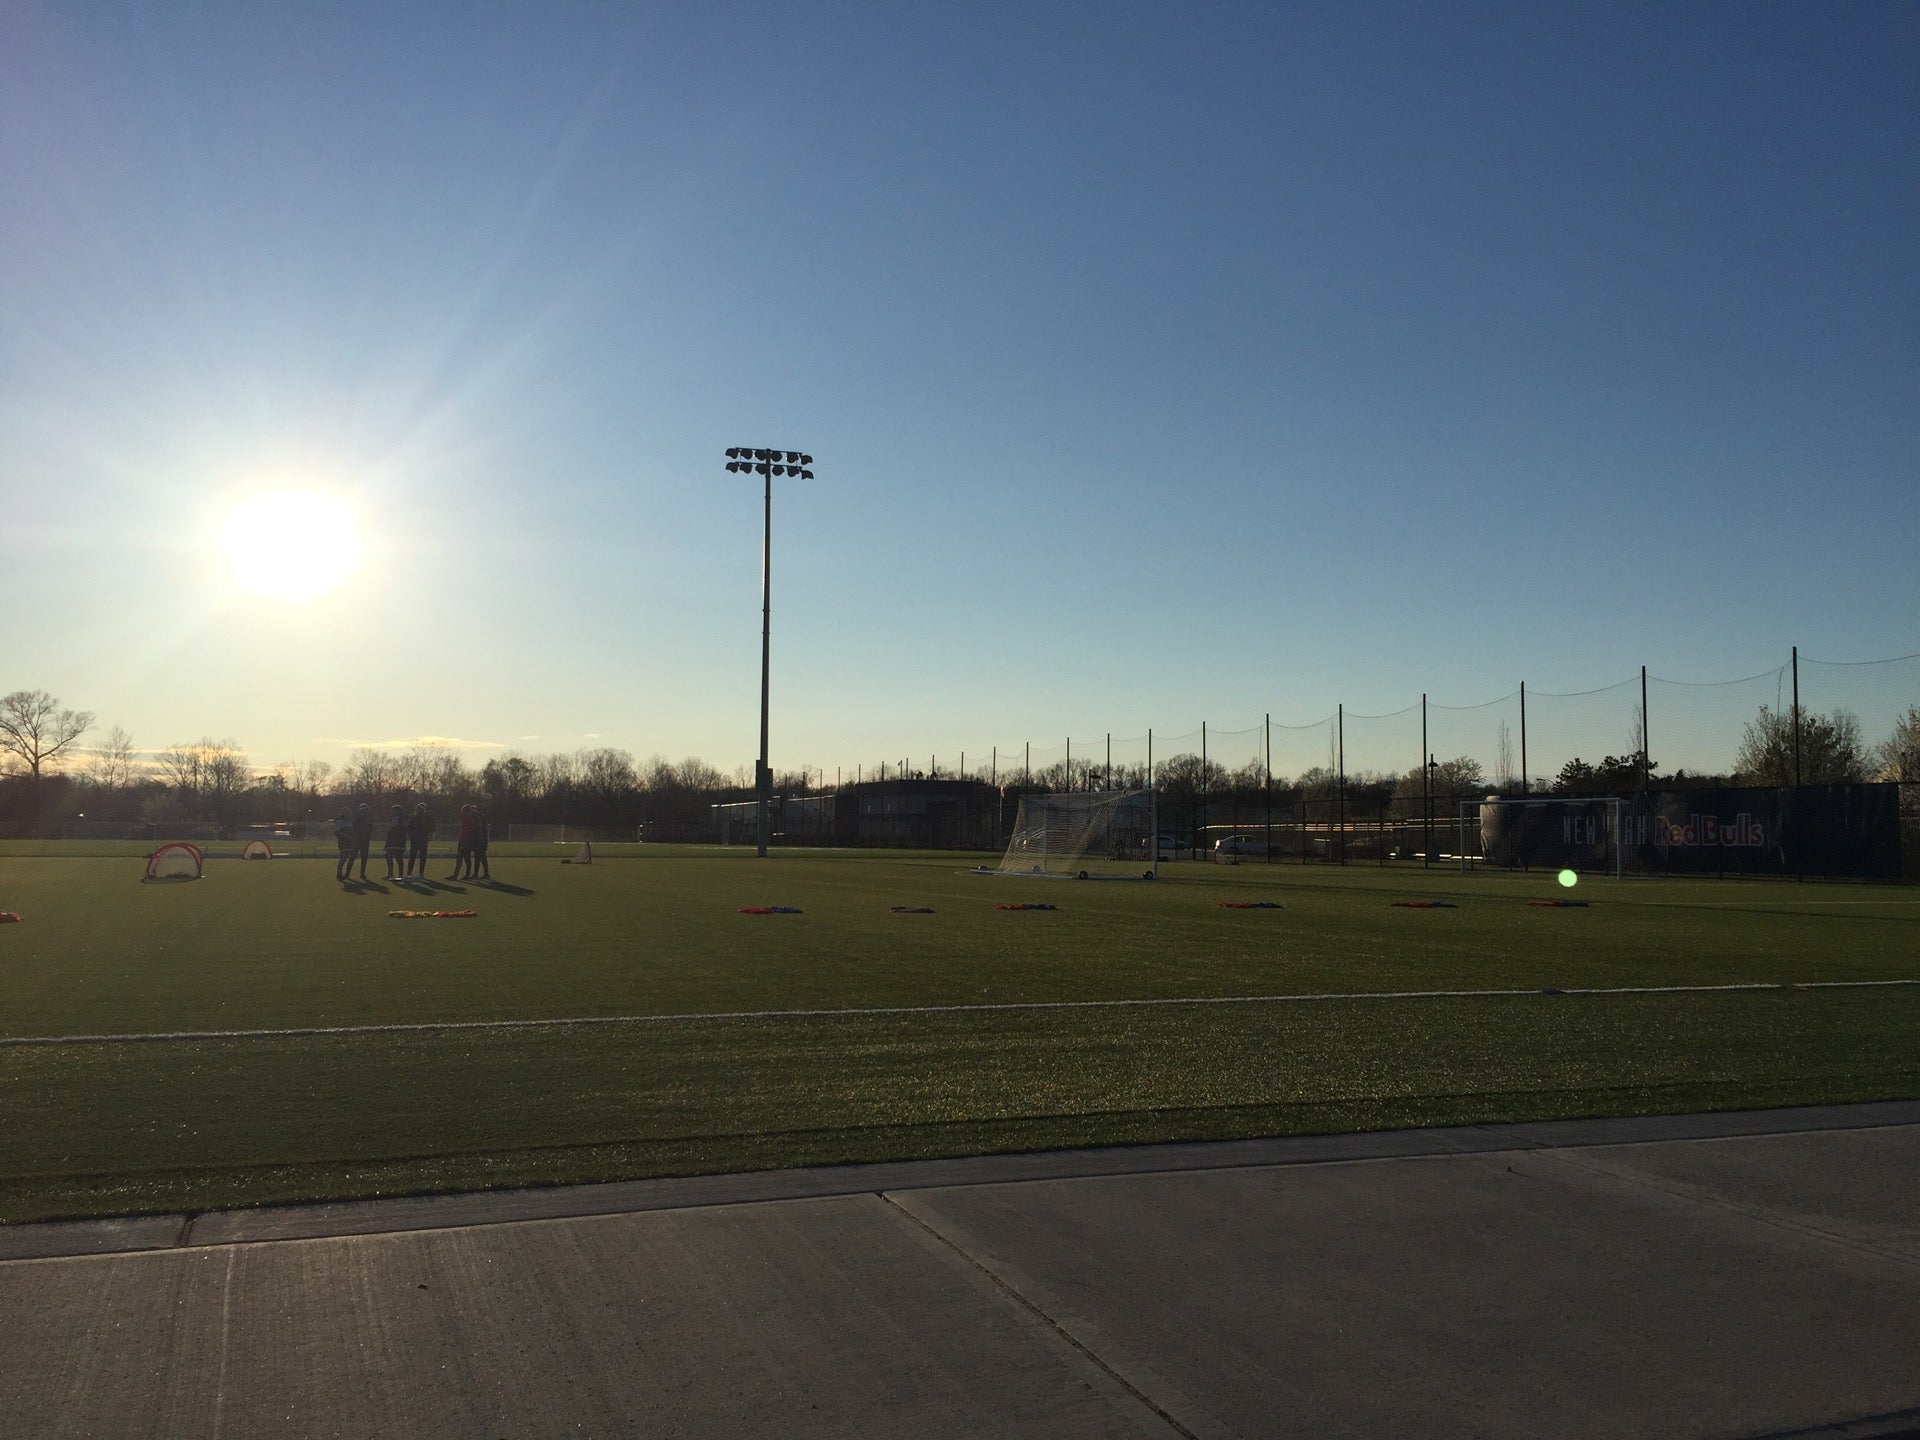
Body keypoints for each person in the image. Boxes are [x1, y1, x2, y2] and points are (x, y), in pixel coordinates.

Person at [452, 803, 481, 880]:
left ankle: (458, 875)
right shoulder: (472, 818)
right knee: (465, 858)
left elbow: (467, 830)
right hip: (467, 840)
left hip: (465, 841)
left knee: (462, 858)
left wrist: (464, 840)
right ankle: (464, 874)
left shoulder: (468, 818)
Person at [349, 802, 375, 882]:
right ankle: (347, 873)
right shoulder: (357, 818)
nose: (365, 812)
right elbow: (354, 829)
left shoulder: (369, 819)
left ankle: (362, 873)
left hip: (365, 841)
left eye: (366, 810)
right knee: (352, 857)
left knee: (364, 858)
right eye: (363, 810)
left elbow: (370, 829)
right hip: (357, 840)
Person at [405, 803, 432, 876]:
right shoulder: (414, 818)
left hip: (423, 839)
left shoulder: (427, 818)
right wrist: (411, 834)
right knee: (413, 857)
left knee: (421, 857)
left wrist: (429, 835)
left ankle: (420, 873)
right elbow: (408, 828)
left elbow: (431, 828)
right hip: (415, 840)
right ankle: (409, 873)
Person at [382, 806, 407, 880]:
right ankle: (390, 873)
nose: (392, 811)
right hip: (391, 842)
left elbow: (402, 829)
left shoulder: (402, 819)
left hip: (398, 842)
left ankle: (400, 874)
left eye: (394, 810)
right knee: (388, 856)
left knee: (398, 858)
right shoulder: (393, 818)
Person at [332, 810, 355, 882]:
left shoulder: (350, 822)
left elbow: (352, 831)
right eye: (347, 814)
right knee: (343, 858)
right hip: (343, 842)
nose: (348, 815)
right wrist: (344, 836)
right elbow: (336, 832)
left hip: (349, 842)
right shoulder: (339, 822)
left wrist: (352, 837)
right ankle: (339, 874)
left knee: (347, 858)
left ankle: (345, 874)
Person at [471, 805, 491, 881]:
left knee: (482, 857)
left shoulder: (479, 818)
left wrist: (478, 839)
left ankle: (486, 873)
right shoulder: (479, 818)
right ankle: (476, 874)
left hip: (481, 841)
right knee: (477, 857)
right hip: (479, 840)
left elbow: (481, 830)